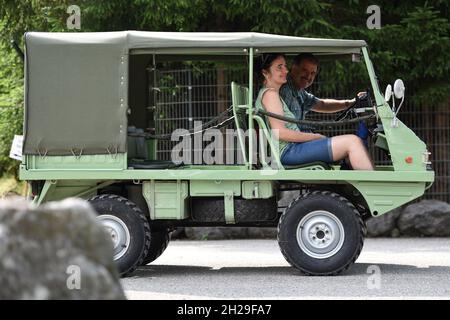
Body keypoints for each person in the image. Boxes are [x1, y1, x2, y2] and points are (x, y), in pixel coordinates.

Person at [255, 53, 373, 170]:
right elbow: (280, 133)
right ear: (265, 72)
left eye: (285, 66)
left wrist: (350, 102)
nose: (286, 71)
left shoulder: (274, 94)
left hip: (290, 148)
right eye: (279, 67)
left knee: (350, 144)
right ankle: (373, 187)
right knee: (353, 142)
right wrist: (315, 137)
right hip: (287, 151)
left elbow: (321, 104)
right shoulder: (271, 94)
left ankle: (350, 187)